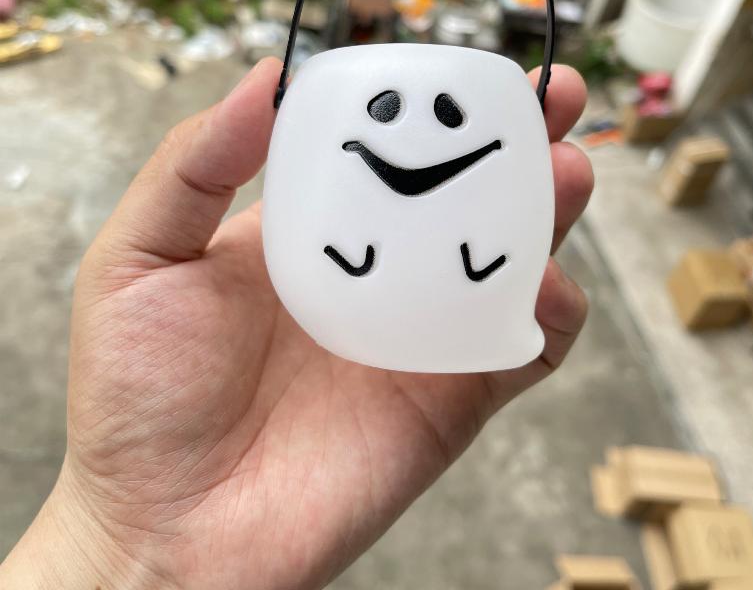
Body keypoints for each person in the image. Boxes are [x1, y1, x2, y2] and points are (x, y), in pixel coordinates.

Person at [0, 57, 593, 590]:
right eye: (386, 112)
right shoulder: (325, 121)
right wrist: (122, 536)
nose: (420, 135)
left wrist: (122, 550)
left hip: (461, 320)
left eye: (448, 115)